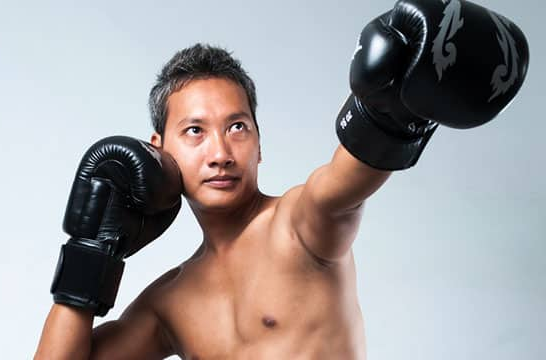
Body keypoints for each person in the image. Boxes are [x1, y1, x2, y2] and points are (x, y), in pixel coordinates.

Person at [35, 0, 529, 358]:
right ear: (157, 151)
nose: (221, 153)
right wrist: (93, 251)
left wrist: (393, 112)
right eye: (194, 132)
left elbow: (342, 185)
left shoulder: (298, 227)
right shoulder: (170, 302)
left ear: (259, 143)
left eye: (237, 127)